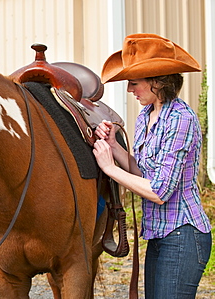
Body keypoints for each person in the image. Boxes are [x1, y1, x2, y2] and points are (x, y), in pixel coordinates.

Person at [93, 33, 212, 298]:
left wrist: (110, 168)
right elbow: (145, 174)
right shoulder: (146, 115)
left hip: (183, 235)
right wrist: (114, 148)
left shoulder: (181, 119)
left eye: (134, 83)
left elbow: (159, 191)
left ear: (157, 81)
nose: (129, 90)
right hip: (159, 235)